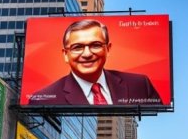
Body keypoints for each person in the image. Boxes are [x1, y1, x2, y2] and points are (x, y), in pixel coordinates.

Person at [28, 19, 162, 106]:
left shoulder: (140, 85)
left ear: (108, 49)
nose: (87, 54)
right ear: (65, 55)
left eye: (95, 45)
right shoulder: (42, 99)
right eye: (77, 47)